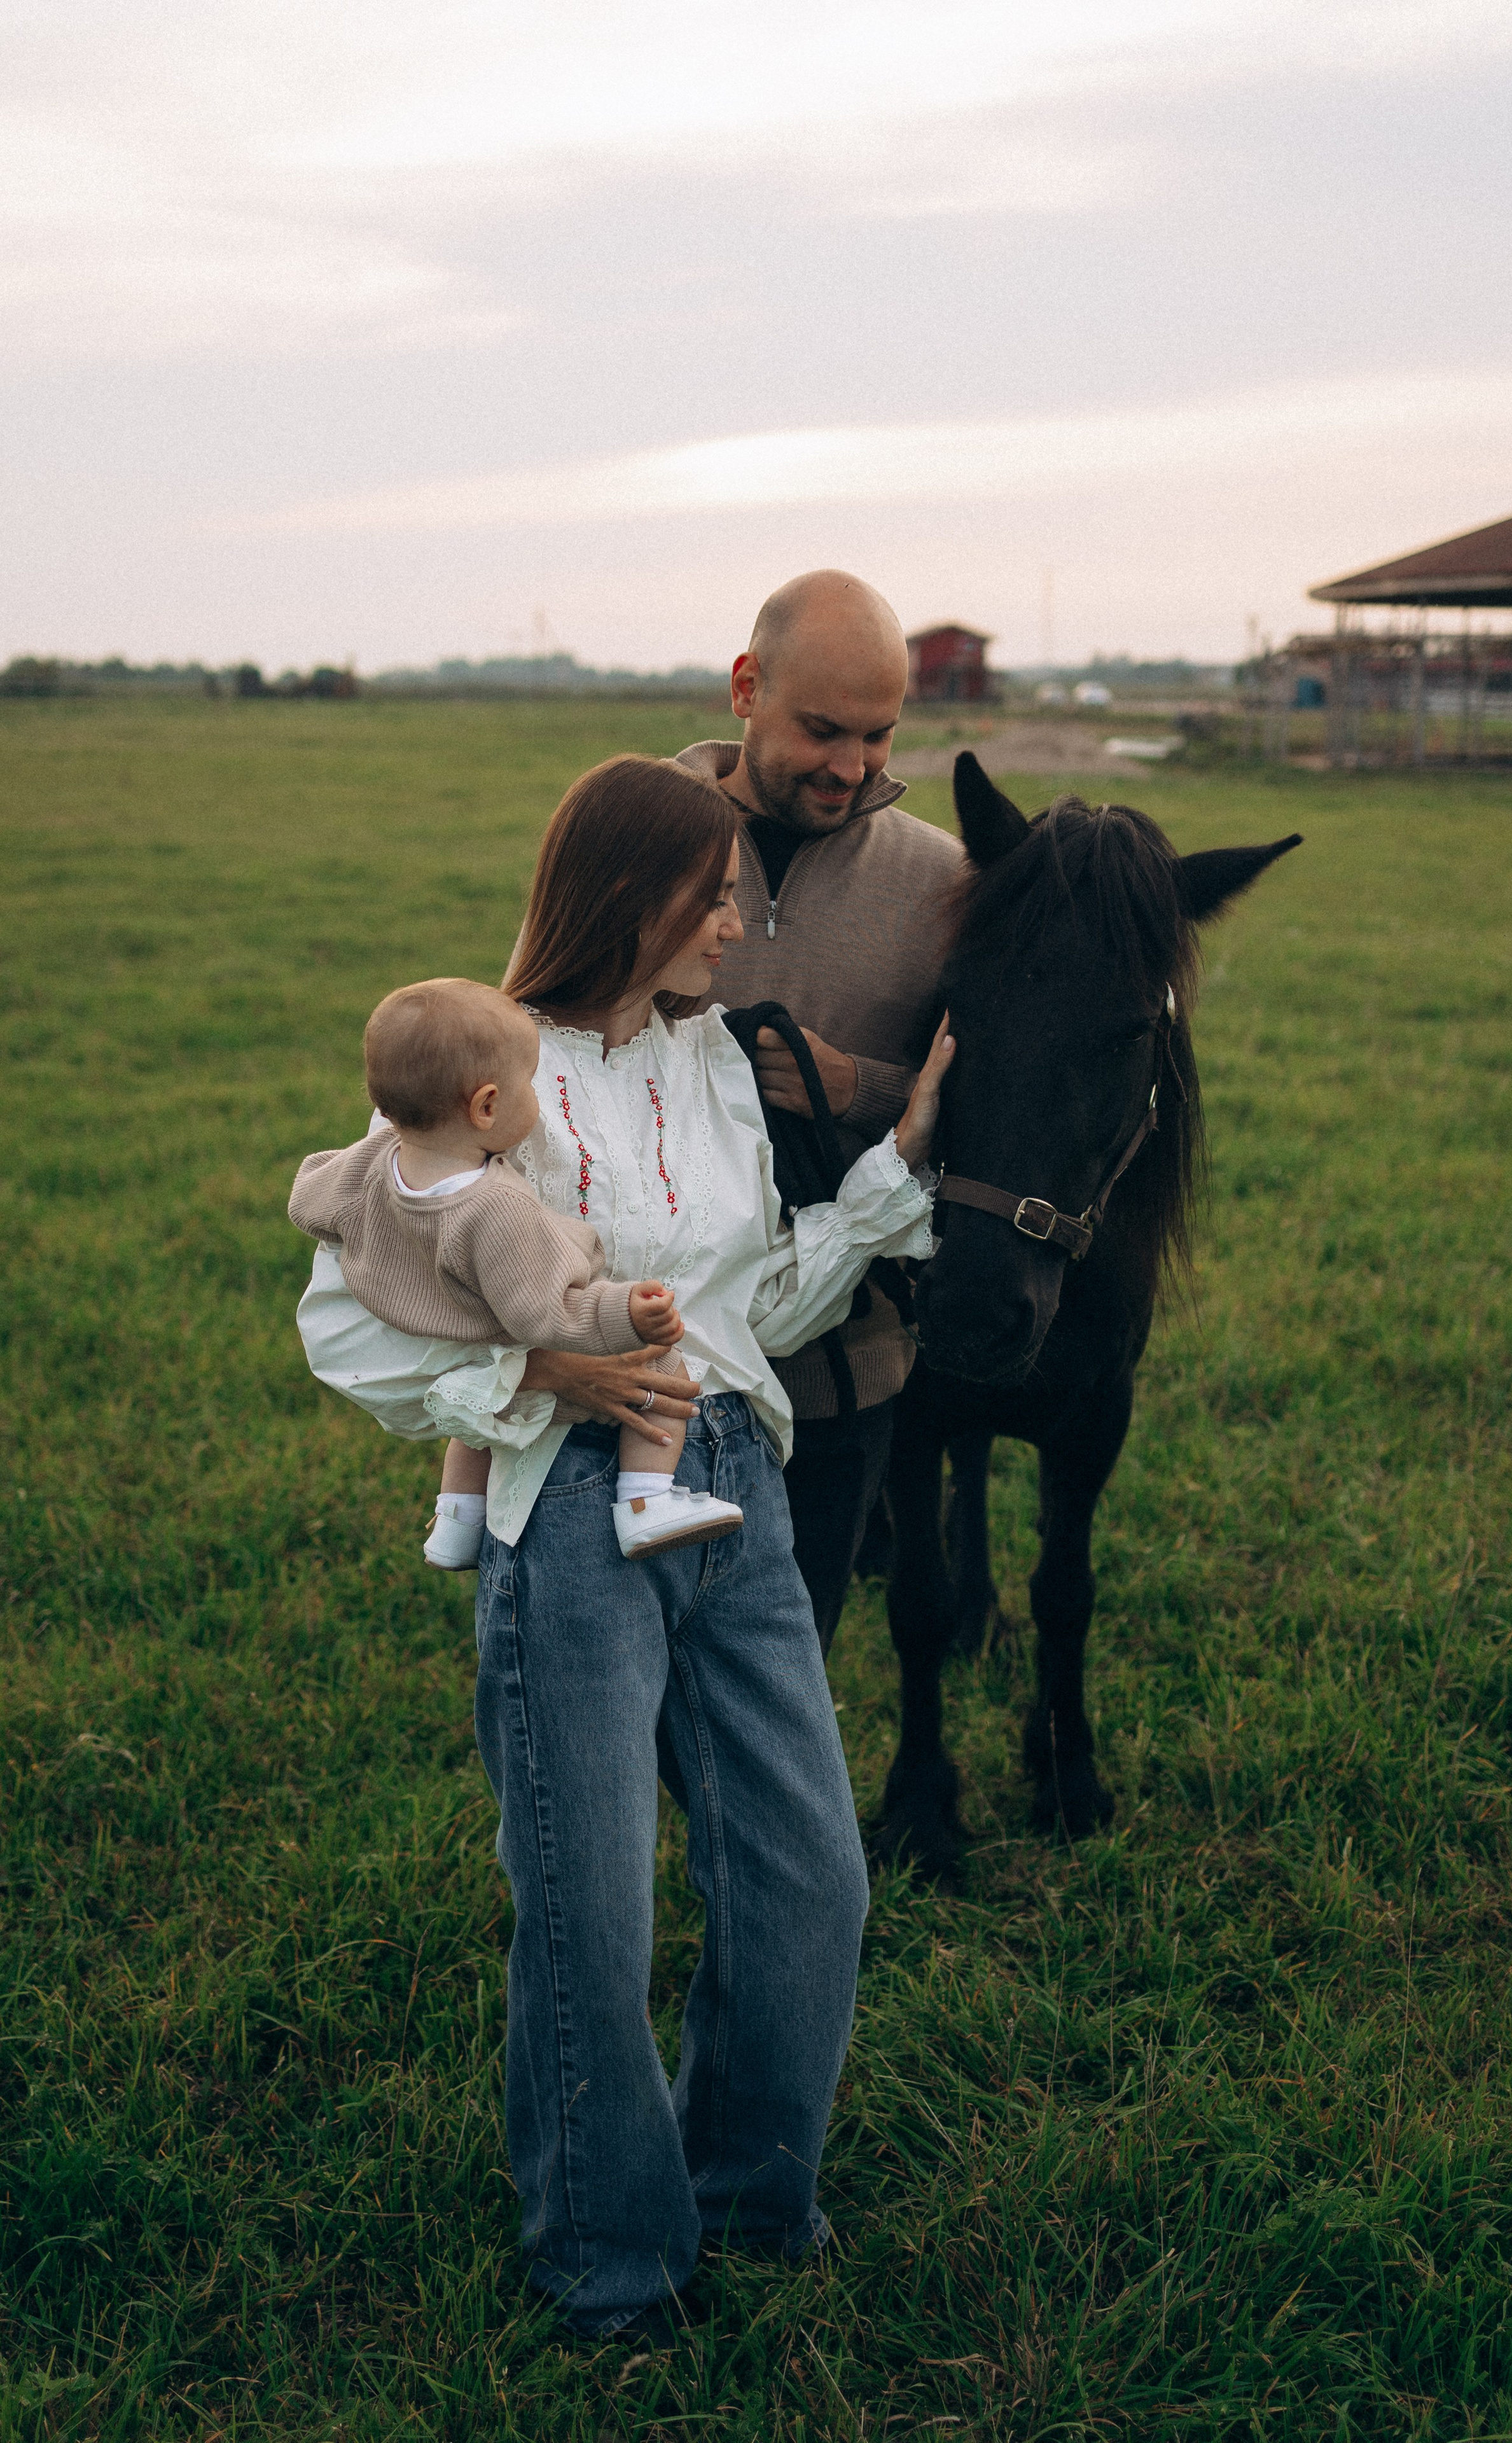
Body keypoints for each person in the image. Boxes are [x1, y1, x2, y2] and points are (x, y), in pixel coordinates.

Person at [295, 754, 954, 2345]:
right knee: (593, 1910)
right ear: (627, 899)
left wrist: (893, 1174)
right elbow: (344, 1326)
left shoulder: (719, 1062)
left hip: (734, 1486)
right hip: (573, 1516)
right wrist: (534, 1373)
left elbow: (749, 1306)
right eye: (710, 894)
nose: (734, 921)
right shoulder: (485, 1069)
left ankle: (746, 2191)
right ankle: (613, 2265)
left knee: (810, 1879)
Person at [516, 570, 966, 1652]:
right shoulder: (634, 836)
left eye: (880, 736)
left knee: (778, 1672)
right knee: (629, 1681)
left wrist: (852, 1085)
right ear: (745, 687)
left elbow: (981, 1106)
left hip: (844, 1370)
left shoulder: (950, 881)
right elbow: (537, 1047)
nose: (852, 768)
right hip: (629, 1388)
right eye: (822, 730)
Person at [287, 977, 741, 1562]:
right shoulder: (496, 1208)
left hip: (434, 1330)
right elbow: (547, 1316)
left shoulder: (375, 1160)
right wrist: (628, 1314)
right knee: (662, 1368)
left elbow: (308, 1201)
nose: (537, 1096)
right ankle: (647, 1502)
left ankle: (455, 1518)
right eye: (529, 1084)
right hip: (495, 1328)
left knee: (478, 1419)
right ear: (487, 1107)